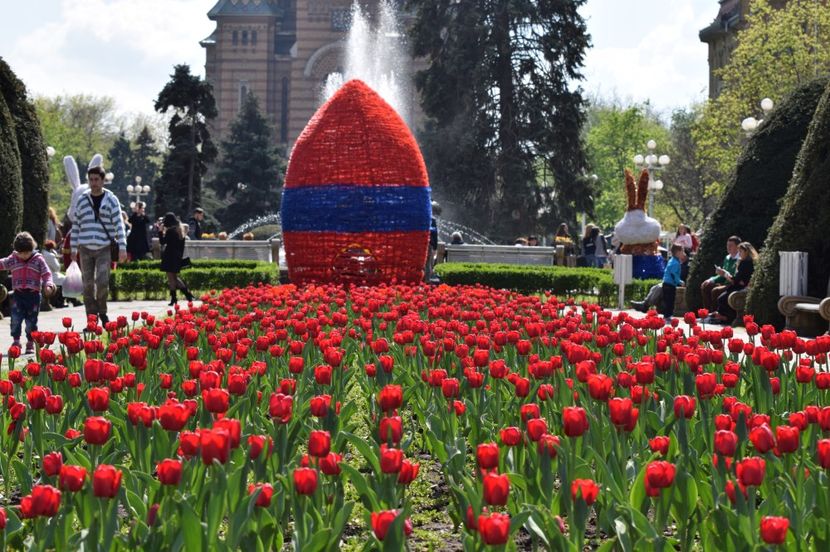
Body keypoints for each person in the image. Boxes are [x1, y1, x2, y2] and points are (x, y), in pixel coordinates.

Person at [70, 165, 127, 326]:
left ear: (103, 181)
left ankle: (102, 311)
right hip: (85, 248)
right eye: (91, 180)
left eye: (97, 179)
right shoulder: (82, 200)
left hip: (104, 248)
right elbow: (76, 225)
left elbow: (119, 225)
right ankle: (91, 319)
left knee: (102, 282)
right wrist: (73, 248)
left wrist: (122, 247)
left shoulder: (111, 200)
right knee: (87, 285)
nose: (94, 183)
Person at [0, 232, 55, 354]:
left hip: (33, 296)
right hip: (18, 295)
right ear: (16, 251)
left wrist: (48, 285)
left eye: (27, 252)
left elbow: (47, 274)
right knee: (15, 319)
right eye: (21, 253)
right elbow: (2, 263)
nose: (24, 255)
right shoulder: (13, 259)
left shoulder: (38, 260)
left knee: (31, 321)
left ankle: (30, 342)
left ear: (32, 249)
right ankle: (16, 340)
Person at [708, 242, 758, 325]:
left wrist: (724, 274)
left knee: (722, 298)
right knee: (721, 296)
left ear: (746, 252)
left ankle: (726, 317)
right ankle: (720, 315)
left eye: (741, 252)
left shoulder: (745, 263)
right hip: (740, 285)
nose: (739, 254)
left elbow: (736, 280)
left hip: (741, 287)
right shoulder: (749, 262)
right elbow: (738, 279)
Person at [157, 213, 195, 306]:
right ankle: (185, 296)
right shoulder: (179, 230)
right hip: (176, 257)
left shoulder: (171, 231)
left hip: (170, 257)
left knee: (171, 278)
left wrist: (160, 231)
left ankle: (179, 297)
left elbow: (162, 242)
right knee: (174, 278)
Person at [700, 236, 741, 312]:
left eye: (731, 245)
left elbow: (734, 276)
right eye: (727, 245)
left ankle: (716, 313)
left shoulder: (740, 259)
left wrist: (724, 273)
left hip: (732, 284)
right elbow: (722, 276)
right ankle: (706, 312)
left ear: (737, 247)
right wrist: (711, 280)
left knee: (715, 291)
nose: (728, 247)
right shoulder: (727, 258)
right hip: (725, 282)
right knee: (705, 285)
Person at [662, 244, 686, 323]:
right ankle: (667, 316)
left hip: (666, 284)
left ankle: (666, 316)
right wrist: (679, 281)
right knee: (670, 301)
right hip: (670, 285)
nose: (684, 253)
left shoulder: (672, 260)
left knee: (667, 301)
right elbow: (673, 274)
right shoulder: (675, 263)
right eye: (682, 251)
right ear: (677, 253)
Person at [41, 240, 66, 308]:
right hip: (50, 276)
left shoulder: (41, 253)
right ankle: (59, 301)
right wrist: (56, 258)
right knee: (65, 279)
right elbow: (57, 268)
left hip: (41, 276)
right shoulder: (50, 255)